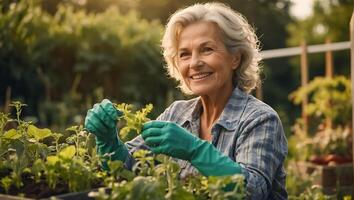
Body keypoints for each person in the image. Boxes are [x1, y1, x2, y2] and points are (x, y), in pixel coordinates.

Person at [85, 2, 288, 199]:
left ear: (235, 58)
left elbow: (252, 191)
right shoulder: (176, 114)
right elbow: (129, 167)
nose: (195, 63)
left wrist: (195, 150)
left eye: (207, 49)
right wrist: (108, 140)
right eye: (184, 54)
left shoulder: (260, 119)